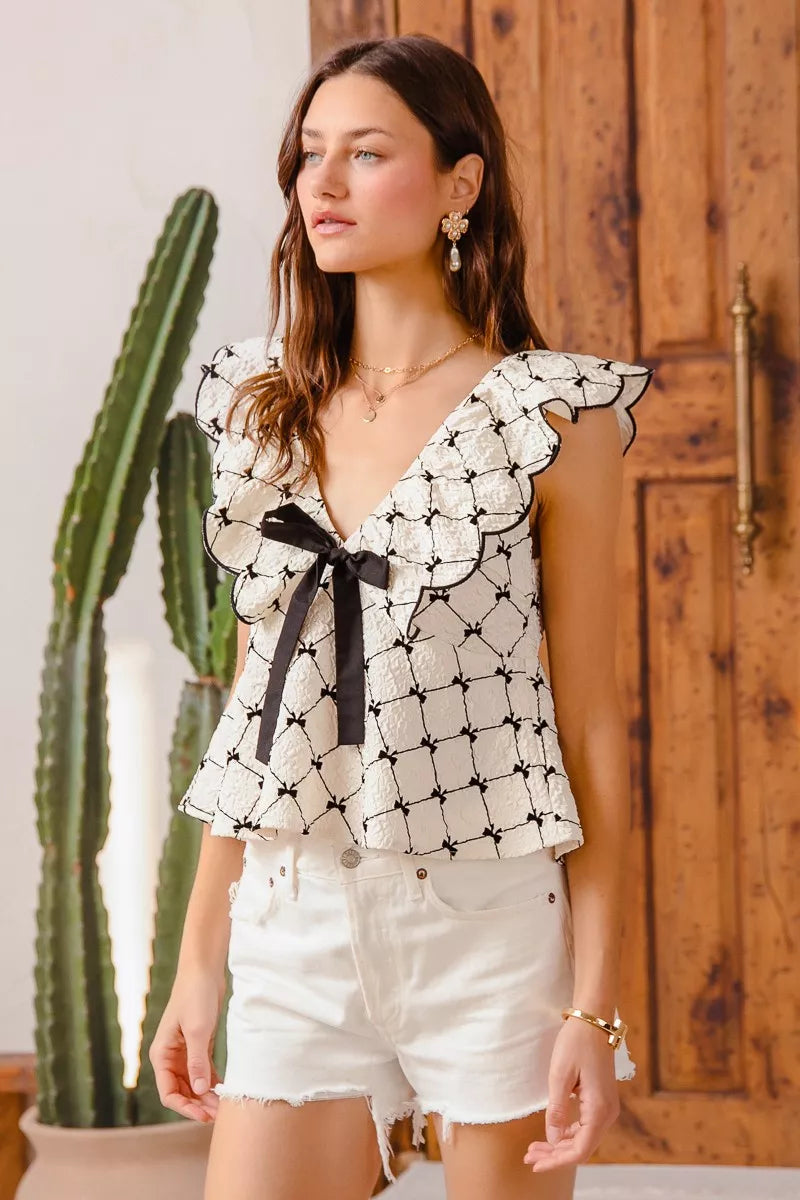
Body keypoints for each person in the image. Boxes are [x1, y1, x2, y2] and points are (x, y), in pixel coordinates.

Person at [151, 32, 655, 1200]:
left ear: (457, 186)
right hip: (296, 917)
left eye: (366, 153)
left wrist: (592, 1005)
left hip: (482, 928)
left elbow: (588, 729)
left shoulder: (548, 416)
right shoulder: (258, 404)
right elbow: (252, 711)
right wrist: (198, 962)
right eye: (307, 154)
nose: (320, 185)